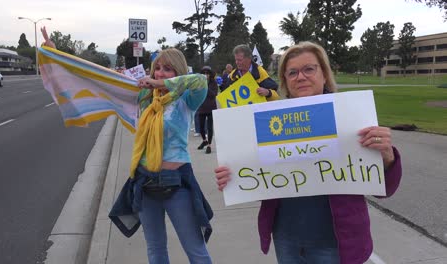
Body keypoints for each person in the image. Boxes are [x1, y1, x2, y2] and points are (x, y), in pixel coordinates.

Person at [214, 41, 402, 264]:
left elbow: (384, 190)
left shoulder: (352, 116)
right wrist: (232, 176)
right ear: (285, 81)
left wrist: (387, 156)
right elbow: (253, 173)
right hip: (287, 241)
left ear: (324, 74)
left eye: (309, 69)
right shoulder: (267, 121)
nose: (300, 77)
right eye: (292, 72)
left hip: (336, 244)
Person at [40, 27, 213, 264]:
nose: (160, 73)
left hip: (178, 185)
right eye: (158, 68)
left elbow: (200, 79)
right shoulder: (144, 97)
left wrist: (160, 83)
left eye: (167, 68)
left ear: (177, 71)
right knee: (156, 250)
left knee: (196, 251)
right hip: (143, 182)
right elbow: (102, 81)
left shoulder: (186, 99)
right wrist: (58, 57)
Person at [197, 66, 218, 154]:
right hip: (201, 107)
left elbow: (213, 94)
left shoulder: (213, 83)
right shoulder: (199, 83)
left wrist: (205, 86)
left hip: (211, 107)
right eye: (204, 73)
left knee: (209, 127)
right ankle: (204, 141)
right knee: (201, 128)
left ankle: (209, 145)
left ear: (210, 74)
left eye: (207, 73)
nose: (206, 75)